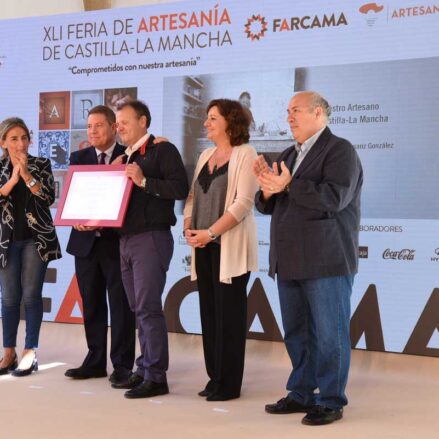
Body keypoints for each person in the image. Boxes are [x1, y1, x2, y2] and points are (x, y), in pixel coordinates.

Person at [253, 91, 363, 425]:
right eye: (288, 111)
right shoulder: (289, 153)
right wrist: (267, 191)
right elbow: (270, 203)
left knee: (330, 336)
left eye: (296, 110)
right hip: (288, 259)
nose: (289, 117)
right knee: (297, 334)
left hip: (326, 260)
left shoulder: (340, 150)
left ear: (318, 113)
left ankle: (330, 400)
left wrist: (287, 186)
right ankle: (301, 393)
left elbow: (334, 198)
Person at [111, 100, 189, 398]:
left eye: (124, 121)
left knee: (147, 307)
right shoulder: (123, 156)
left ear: (143, 121)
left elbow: (180, 188)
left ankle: (156, 376)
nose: (119, 127)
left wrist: (143, 180)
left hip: (151, 237)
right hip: (125, 239)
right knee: (137, 308)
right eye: (117, 122)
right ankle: (144, 368)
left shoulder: (163, 150)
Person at [183, 99, 258, 401]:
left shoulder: (246, 153)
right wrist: (189, 227)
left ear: (230, 122)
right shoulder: (205, 155)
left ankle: (228, 384)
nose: (206, 123)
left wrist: (210, 232)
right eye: (207, 118)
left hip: (229, 248)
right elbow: (192, 197)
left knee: (229, 317)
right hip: (203, 246)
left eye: (213, 118)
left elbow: (244, 203)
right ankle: (214, 378)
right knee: (210, 314)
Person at [64, 105, 136, 385]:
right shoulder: (78, 157)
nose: (92, 131)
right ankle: (95, 361)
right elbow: (73, 196)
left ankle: (122, 365)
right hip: (85, 244)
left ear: (113, 127)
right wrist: (75, 220)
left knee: (121, 306)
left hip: (117, 243)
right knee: (92, 304)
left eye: (99, 125)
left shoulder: (129, 155)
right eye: (89, 126)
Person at [0, 117, 61, 377]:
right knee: (9, 298)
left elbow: (47, 197)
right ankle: (8, 353)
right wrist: (12, 180)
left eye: (24, 138)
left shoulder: (41, 164)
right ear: (3, 142)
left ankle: (29, 352)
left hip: (36, 240)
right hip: (6, 242)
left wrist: (26, 174)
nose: (21, 143)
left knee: (31, 295)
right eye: (14, 139)